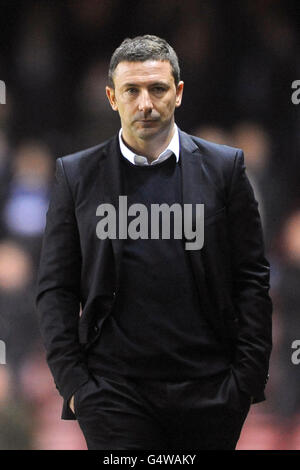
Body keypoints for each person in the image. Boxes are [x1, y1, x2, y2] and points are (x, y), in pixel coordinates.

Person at [35, 35, 272, 450]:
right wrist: (75, 386)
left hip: (211, 393)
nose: (145, 103)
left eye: (157, 89)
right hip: (112, 394)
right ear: (111, 97)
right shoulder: (75, 176)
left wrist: (245, 383)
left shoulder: (225, 169)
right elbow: (55, 288)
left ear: (178, 93)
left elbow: (251, 279)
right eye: (132, 90)